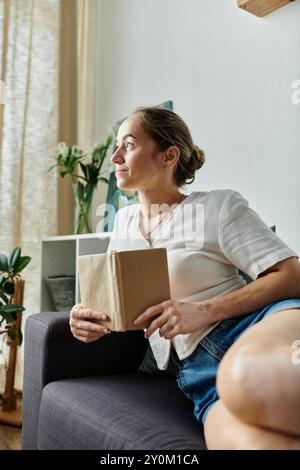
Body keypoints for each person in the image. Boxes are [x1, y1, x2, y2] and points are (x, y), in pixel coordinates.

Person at [69, 107, 300, 450]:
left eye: (128, 145)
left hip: (252, 328)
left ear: (168, 156)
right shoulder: (123, 222)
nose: (115, 156)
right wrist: (82, 317)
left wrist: (204, 310)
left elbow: (291, 275)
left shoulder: (218, 207)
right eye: (117, 147)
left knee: (247, 380)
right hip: (197, 372)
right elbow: (114, 303)